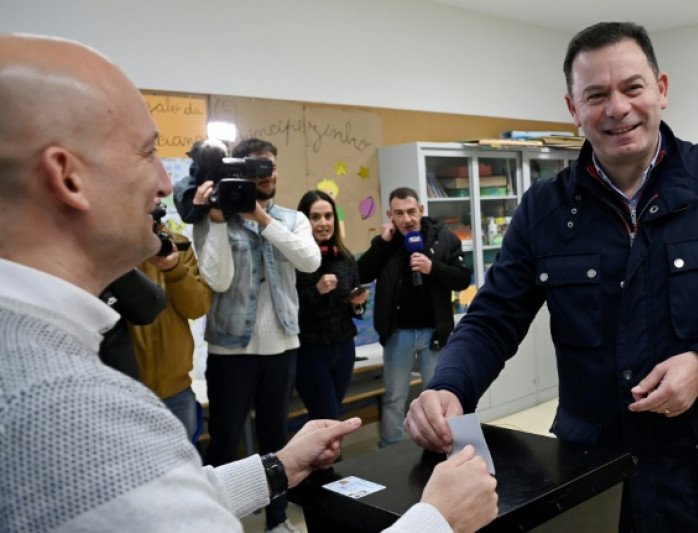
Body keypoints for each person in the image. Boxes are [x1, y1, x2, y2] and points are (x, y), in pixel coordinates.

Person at [0, 34, 498, 533]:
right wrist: (437, 520)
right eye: (146, 152)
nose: (165, 183)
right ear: (68, 177)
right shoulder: (67, 407)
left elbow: (164, 501)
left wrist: (277, 466)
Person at [404, 21, 698, 533]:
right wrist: (450, 385)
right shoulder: (543, 210)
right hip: (595, 477)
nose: (617, 107)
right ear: (573, 109)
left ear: (661, 90)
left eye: (632, 87)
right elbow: (492, 319)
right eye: (596, 95)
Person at [182, 137, 321, 533]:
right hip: (231, 350)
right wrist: (222, 222)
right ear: (238, 170)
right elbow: (217, 280)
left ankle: (277, 521)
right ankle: (223, 524)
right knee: (225, 443)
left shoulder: (292, 219)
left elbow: (309, 261)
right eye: (257, 167)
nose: (266, 174)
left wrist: (262, 220)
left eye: (271, 166)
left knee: (277, 443)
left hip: (282, 346)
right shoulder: (214, 216)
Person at [357, 187, 471, 447]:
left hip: (434, 333)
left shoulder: (444, 238)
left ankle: (437, 447)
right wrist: (382, 244)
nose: (406, 219)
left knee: (435, 397)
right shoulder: (386, 243)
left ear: (421, 210)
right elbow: (360, 274)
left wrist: (433, 268)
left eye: (411, 211)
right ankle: (391, 450)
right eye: (399, 213)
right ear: (390, 215)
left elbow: (463, 279)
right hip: (398, 334)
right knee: (395, 398)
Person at [128, 220, 212, 440]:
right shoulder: (113, 246)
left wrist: (174, 270)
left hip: (177, 390)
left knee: (185, 470)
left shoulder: (178, 244)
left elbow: (197, 307)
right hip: (127, 391)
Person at [295, 189, 367, 421]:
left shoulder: (346, 259)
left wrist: (358, 303)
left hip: (344, 348)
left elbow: (357, 311)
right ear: (304, 221)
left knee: (333, 417)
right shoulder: (295, 260)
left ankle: (328, 458)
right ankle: (333, 459)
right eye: (315, 217)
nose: (323, 223)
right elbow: (290, 309)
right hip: (310, 352)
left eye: (328, 216)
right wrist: (317, 290)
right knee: (328, 420)